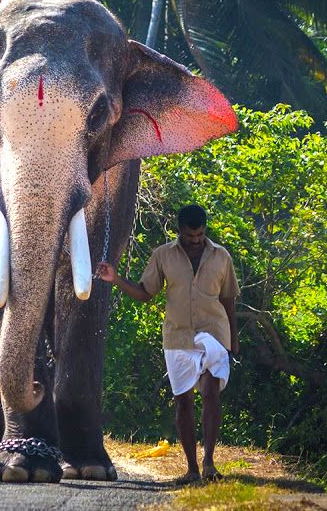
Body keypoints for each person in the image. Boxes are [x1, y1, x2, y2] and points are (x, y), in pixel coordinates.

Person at [96, 204, 239, 483]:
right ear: (179, 232)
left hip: (215, 334)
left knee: (211, 391)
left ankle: (209, 462)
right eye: (190, 236)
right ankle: (192, 469)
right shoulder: (163, 256)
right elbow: (145, 293)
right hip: (178, 336)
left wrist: (234, 339)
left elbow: (228, 299)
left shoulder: (221, 256)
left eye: (200, 235)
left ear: (204, 231)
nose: (196, 240)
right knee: (183, 401)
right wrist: (115, 280)